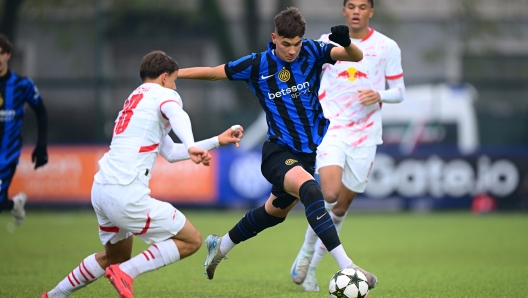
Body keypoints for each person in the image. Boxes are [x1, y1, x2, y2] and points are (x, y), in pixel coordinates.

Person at [178, 7, 378, 290]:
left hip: (306, 155)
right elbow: (213, 73)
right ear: (274, 38)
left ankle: (219, 246)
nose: (292, 50)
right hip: (278, 152)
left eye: (296, 43)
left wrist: (346, 42)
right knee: (312, 190)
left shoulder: (312, 51)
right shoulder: (257, 64)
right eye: (286, 44)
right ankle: (350, 267)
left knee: (273, 214)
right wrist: (174, 74)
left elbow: (355, 57)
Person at [40, 50, 244, 298]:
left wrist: (215, 141)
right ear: (164, 77)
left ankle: (54, 295)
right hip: (126, 193)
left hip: (102, 189)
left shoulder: (135, 99)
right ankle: (126, 273)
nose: (175, 87)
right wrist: (191, 144)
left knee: (114, 257)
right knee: (191, 240)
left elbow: (168, 152)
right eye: (174, 81)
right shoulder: (164, 94)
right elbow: (178, 114)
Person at [290, 0, 406, 292]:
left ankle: (312, 268)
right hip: (332, 128)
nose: (356, 11)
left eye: (362, 6)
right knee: (328, 194)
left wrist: (379, 94)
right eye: (351, 5)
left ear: (371, 11)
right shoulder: (325, 42)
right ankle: (305, 253)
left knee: (340, 208)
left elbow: (400, 92)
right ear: (344, 11)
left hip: (366, 135)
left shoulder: (387, 47)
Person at [0, 34, 48, 226]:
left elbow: (41, 112)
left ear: (8, 55)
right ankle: (14, 203)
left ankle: (11, 203)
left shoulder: (22, 84)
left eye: (1, 53)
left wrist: (41, 146)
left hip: (7, 154)